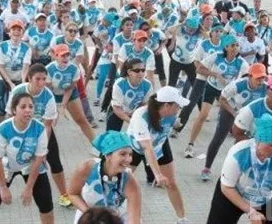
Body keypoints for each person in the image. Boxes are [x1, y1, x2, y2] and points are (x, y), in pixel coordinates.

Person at [0, 93, 54, 224]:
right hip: (5, 166)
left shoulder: (40, 128)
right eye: (23, 107)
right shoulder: (3, 129)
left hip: (30, 166)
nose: (28, 110)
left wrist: (29, 187)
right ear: (14, 110)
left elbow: (38, 160)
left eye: (31, 106)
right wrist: (3, 187)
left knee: (46, 205)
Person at [207, 114, 272, 224]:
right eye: (271, 144)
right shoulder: (238, 153)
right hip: (233, 192)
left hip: (262, 197)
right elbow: (226, 188)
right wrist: (250, 211)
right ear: (257, 141)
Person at [6, 64, 71, 207]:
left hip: (41, 132)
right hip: (19, 130)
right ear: (29, 78)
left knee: (55, 163)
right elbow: (9, 116)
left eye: (44, 79)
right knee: (9, 162)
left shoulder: (48, 96)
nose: (41, 83)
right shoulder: (18, 91)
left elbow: (48, 126)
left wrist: (44, 149)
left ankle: (64, 195)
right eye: (37, 79)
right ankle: (1, 191)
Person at [127, 86, 190, 224]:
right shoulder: (141, 115)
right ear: (166, 105)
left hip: (160, 145)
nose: (179, 109)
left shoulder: (171, 114)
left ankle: (182, 219)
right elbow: (147, 148)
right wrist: (158, 174)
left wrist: (176, 124)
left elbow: (173, 124)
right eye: (178, 106)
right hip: (135, 149)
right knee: (124, 184)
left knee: (172, 183)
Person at [184, 34, 249, 158]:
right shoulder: (216, 56)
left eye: (236, 45)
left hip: (227, 92)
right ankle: (190, 145)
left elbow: (246, 79)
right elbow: (199, 69)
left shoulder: (241, 62)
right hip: (212, 87)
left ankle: (236, 152)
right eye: (232, 46)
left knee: (227, 122)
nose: (235, 48)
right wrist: (214, 74)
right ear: (226, 47)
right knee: (203, 115)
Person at [200, 63, 268, 181]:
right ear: (250, 76)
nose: (260, 81)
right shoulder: (237, 85)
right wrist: (234, 113)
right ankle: (206, 168)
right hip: (230, 110)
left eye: (263, 77)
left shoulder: (265, 88)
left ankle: (233, 171)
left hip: (248, 115)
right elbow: (222, 99)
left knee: (242, 143)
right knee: (219, 137)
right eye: (258, 78)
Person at [69, 131, 141, 224]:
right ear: (108, 155)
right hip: (88, 214)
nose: (129, 159)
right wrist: (89, 214)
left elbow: (134, 220)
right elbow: (73, 193)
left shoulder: (130, 181)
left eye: (130, 154)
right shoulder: (87, 168)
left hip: (117, 218)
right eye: (123, 154)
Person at [172, 23, 223, 137]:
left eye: (220, 31)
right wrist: (209, 73)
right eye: (216, 31)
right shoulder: (204, 44)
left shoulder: (224, 46)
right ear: (211, 33)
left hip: (216, 82)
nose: (218, 33)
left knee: (227, 104)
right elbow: (196, 63)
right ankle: (177, 128)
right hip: (202, 78)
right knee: (190, 103)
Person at [46, 44, 96, 142]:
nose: (65, 58)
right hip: (52, 94)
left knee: (82, 120)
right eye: (62, 56)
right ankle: (45, 150)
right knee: (49, 123)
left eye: (67, 55)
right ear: (56, 56)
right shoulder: (49, 69)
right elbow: (48, 90)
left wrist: (63, 106)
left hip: (70, 93)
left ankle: (98, 148)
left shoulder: (74, 69)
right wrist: (54, 109)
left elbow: (70, 89)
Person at [0, 20, 32, 124]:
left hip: (18, 80)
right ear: (9, 32)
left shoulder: (27, 48)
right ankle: (0, 131)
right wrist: (10, 83)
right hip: (3, 79)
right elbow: (1, 67)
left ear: (22, 33)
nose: (16, 32)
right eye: (13, 29)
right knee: (1, 108)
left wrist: (23, 82)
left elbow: (25, 67)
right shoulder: (2, 46)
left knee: (15, 108)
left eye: (19, 30)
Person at [107, 58, 153, 131]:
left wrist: (136, 116)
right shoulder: (120, 84)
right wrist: (131, 121)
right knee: (112, 136)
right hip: (118, 110)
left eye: (143, 70)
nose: (141, 73)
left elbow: (145, 104)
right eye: (137, 71)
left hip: (136, 111)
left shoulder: (148, 85)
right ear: (129, 72)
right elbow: (117, 108)